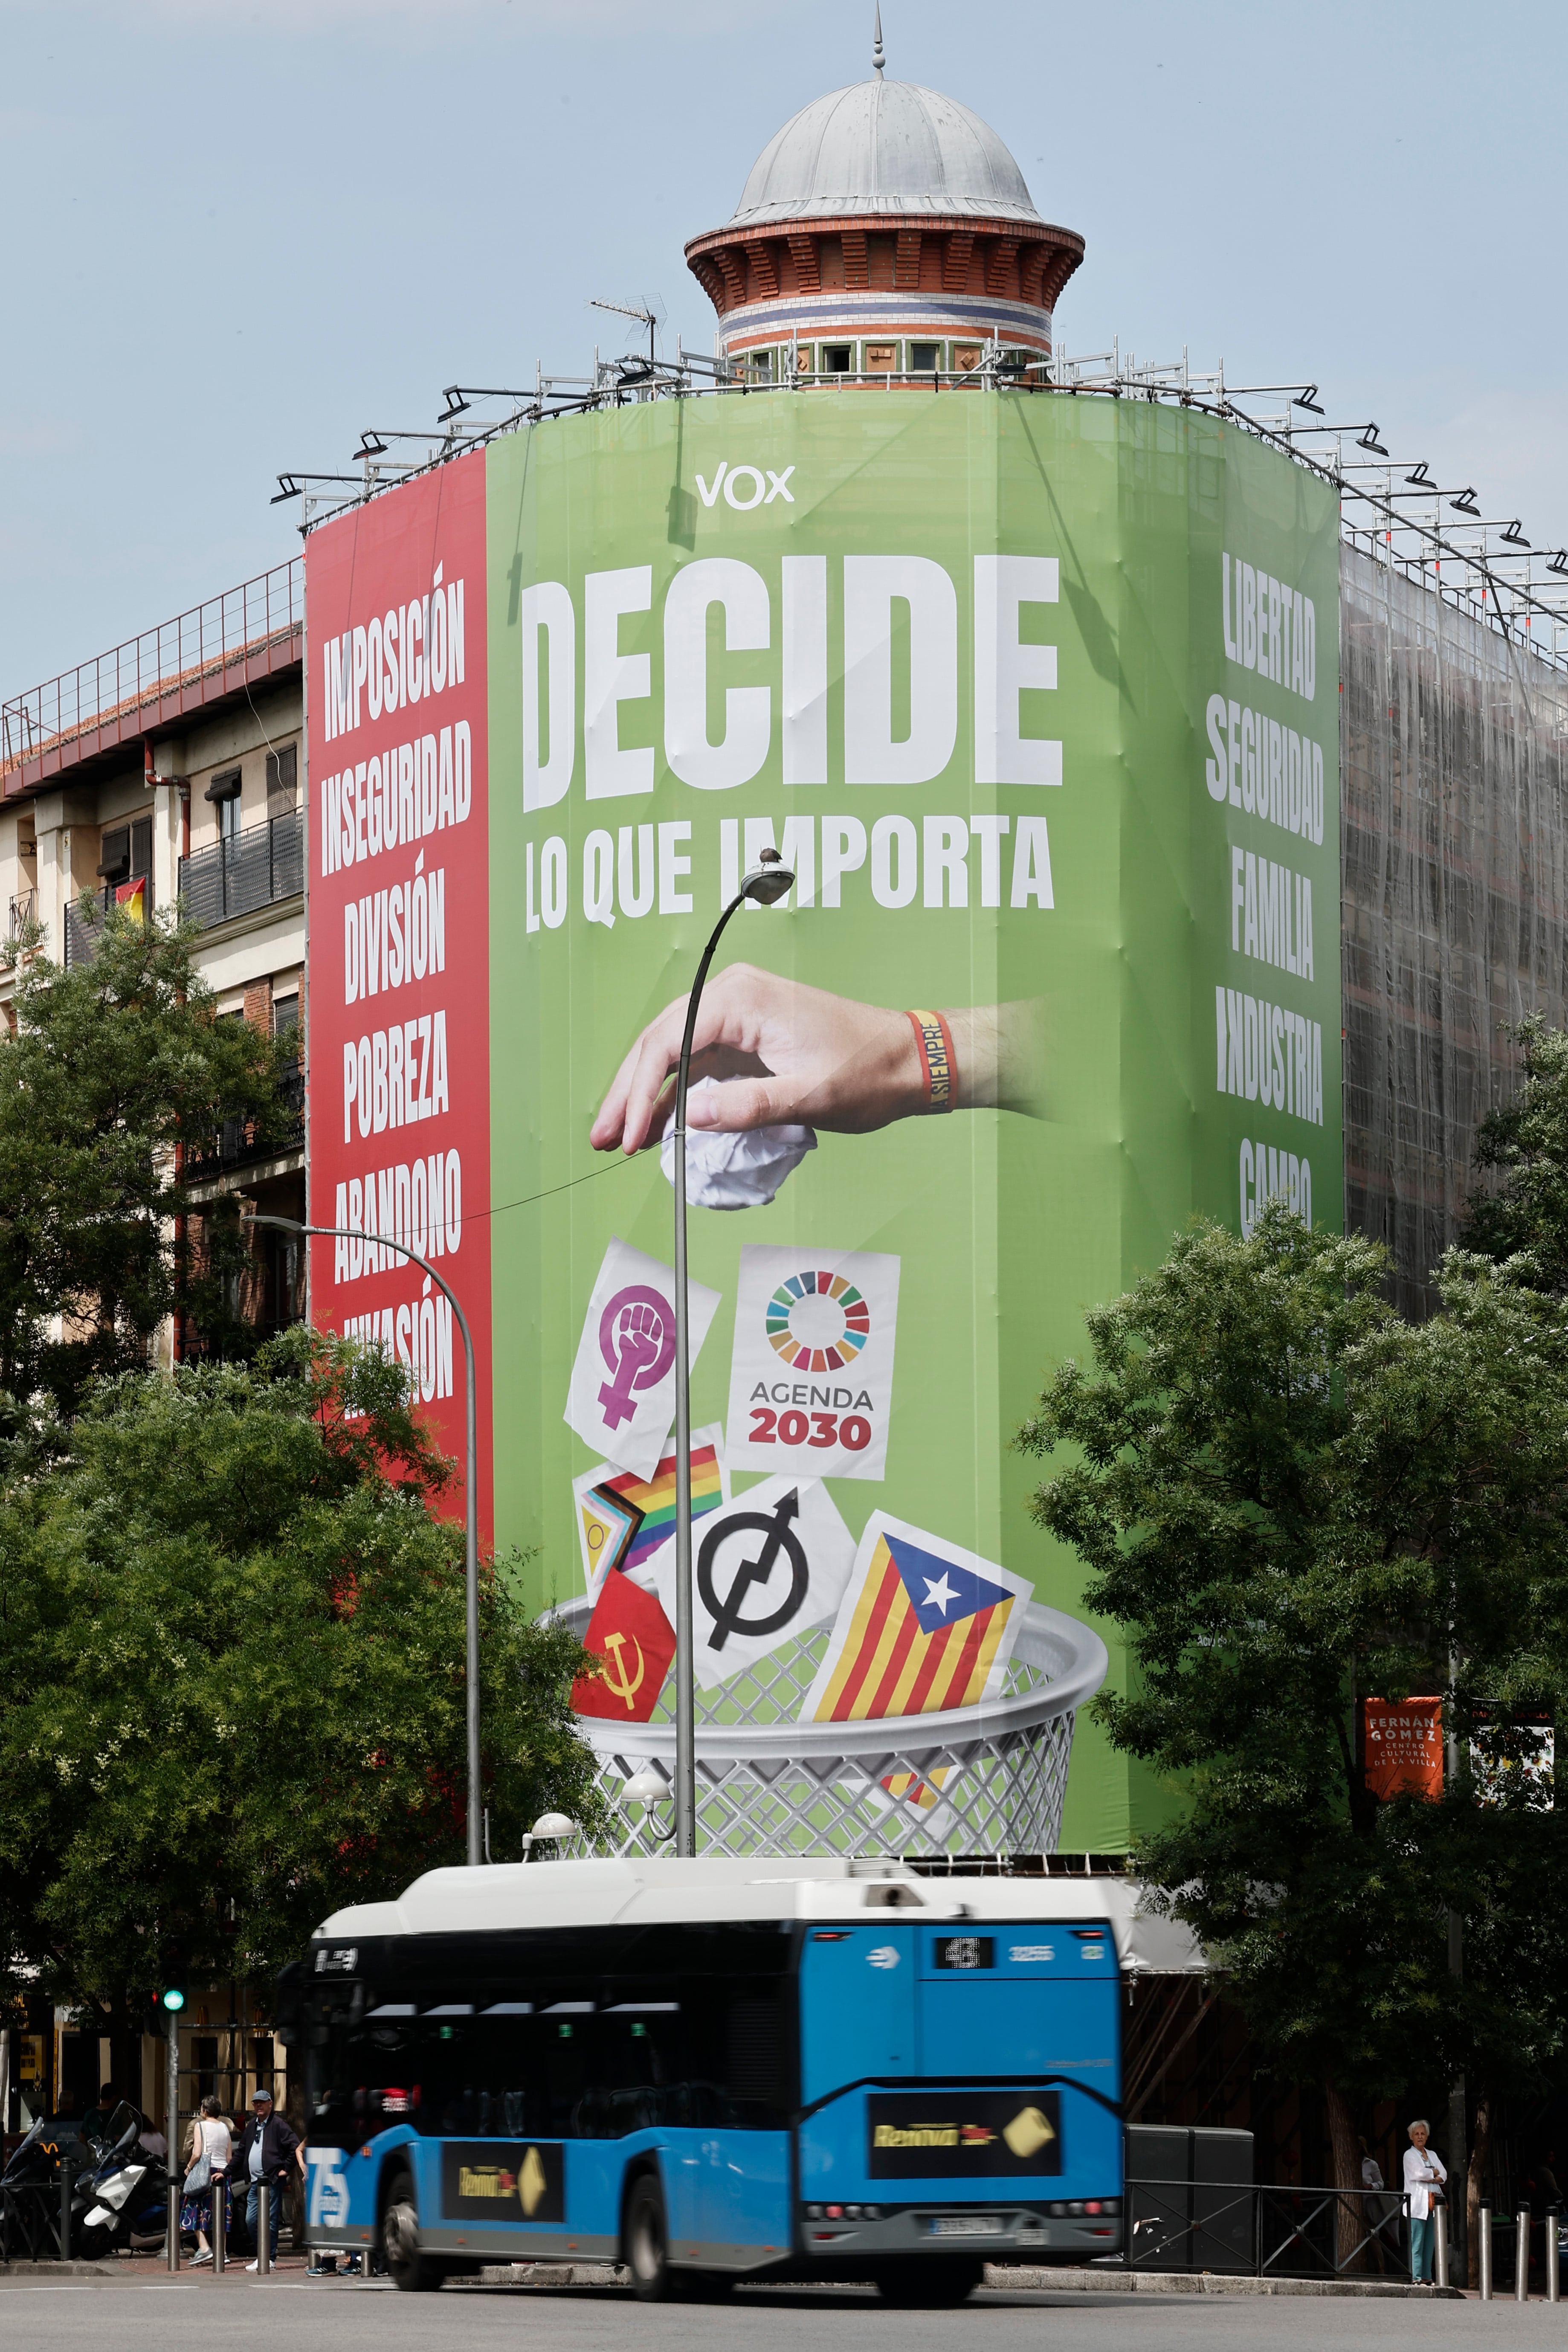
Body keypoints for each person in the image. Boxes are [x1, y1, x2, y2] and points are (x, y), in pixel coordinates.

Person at [235, 2085, 304, 2271]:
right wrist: (226, 2171)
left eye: (262, 2103)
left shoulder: (279, 2125)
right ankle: (262, 2254)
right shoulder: (252, 2126)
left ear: (270, 2104)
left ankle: (270, 2257)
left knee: (271, 2220)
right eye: (256, 2103)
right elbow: (241, 2151)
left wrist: (286, 2169)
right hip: (255, 2182)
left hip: (272, 2180)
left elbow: (295, 2146)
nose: (258, 2106)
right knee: (251, 2220)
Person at [181, 2093, 232, 2266]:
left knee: (193, 2210)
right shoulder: (226, 2128)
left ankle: (204, 2248)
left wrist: (188, 2168)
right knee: (221, 2213)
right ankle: (222, 2252)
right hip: (223, 2173)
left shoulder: (200, 2126)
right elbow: (229, 2157)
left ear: (204, 2111)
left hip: (205, 2172)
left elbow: (197, 2153)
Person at [1403, 2118, 1447, 2282]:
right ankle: (1416, 2276)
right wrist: (1433, 2173)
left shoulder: (1433, 2155)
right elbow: (1418, 2174)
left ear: (1427, 2137)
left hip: (1433, 2204)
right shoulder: (1409, 2155)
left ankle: (1427, 2277)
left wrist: (1434, 2176)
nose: (1420, 2137)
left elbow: (1444, 2175)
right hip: (1417, 2204)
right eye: (1417, 2134)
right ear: (1411, 2137)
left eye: (1423, 2134)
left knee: (1430, 2243)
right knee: (1418, 2242)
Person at [1359, 2136, 1392, 2273]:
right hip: (1350, 2206)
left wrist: (1370, 2186)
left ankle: (1381, 2268)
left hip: (1369, 2205)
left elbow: (1381, 2184)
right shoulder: (1345, 2162)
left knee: (1373, 2236)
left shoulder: (1371, 2164)